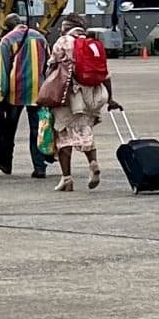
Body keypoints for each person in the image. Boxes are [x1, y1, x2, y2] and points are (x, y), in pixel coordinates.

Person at [46, 14, 117, 193]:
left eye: (63, 26)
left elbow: (51, 66)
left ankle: (67, 179)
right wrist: (111, 98)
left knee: (63, 135)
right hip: (91, 94)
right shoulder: (92, 43)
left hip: (69, 94)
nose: (60, 29)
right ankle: (92, 162)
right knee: (85, 130)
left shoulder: (63, 42)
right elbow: (105, 74)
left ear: (68, 26)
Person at [0, 15, 52, 178]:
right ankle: (39, 167)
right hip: (38, 91)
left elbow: (2, 71)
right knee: (37, 130)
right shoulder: (40, 37)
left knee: (9, 130)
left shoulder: (7, 40)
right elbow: (49, 65)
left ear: (8, 27)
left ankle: (6, 164)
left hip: (14, 93)